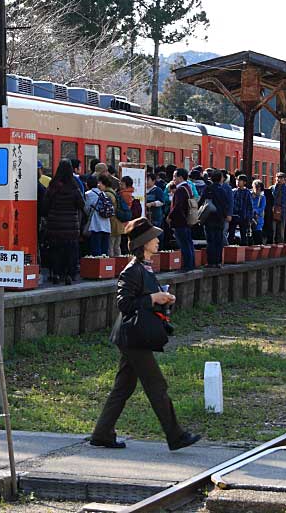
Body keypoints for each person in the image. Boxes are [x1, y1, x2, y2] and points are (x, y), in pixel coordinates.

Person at [90, 218, 201, 452]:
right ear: (143, 243)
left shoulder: (145, 267)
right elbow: (124, 304)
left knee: (123, 387)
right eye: (153, 238)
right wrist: (153, 298)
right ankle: (176, 436)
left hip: (132, 336)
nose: (158, 241)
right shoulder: (132, 270)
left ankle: (102, 433)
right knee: (156, 385)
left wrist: (162, 298)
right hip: (133, 338)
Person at [43, 160, 85, 285]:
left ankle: (56, 273)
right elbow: (82, 204)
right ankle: (69, 275)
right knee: (70, 251)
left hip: (54, 226)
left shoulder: (53, 186)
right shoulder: (74, 186)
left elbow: (45, 206)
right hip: (71, 227)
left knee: (56, 250)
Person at [199, 170, 230, 268]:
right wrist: (225, 215)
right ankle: (218, 262)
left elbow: (201, 202)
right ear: (221, 179)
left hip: (209, 218)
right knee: (219, 240)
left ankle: (210, 262)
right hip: (219, 218)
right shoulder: (222, 190)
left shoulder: (207, 189)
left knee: (210, 240)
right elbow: (226, 204)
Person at [168, 169, 196, 271]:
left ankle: (187, 265)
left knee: (184, 244)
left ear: (180, 177)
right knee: (188, 242)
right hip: (187, 219)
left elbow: (177, 206)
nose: (173, 179)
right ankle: (191, 264)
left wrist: (170, 216)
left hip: (180, 221)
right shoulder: (188, 188)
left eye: (175, 177)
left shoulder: (180, 190)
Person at [84, 175, 111, 256]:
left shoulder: (88, 194)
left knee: (96, 252)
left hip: (96, 226)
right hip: (106, 226)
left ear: (87, 185)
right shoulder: (103, 194)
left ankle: (97, 268)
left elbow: (86, 209)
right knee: (104, 253)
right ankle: (105, 268)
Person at [230, 175, 252, 246]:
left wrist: (249, 217)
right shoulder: (233, 191)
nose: (237, 182)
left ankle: (244, 246)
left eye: (239, 180)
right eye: (237, 180)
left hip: (243, 215)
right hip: (234, 215)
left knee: (243, 233)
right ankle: (230, 246)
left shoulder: (247, 192)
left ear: (244, 182)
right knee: (231, 232)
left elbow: (250, 205)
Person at [270, 173, 286, 243]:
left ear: (284, 179)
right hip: (273, 210)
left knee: (281, 231)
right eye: (277, 177)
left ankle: (280, 245)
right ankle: (273, 244)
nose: (279, 179)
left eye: (281, 178)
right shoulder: (272, 188)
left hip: (283, 211)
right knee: (273, 229)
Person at [250, 179, 267, 245]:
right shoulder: (249, 195)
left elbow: (262, 208)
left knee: (257, 233)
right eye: (256, 188)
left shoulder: (262, 197)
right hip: (249, 217)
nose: (257, 190)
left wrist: (254, 210)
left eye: (259, 188)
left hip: (258, 218)